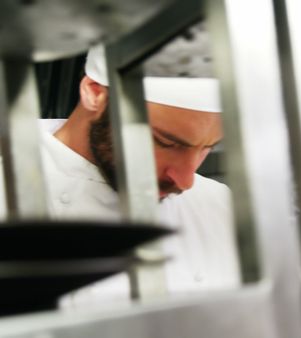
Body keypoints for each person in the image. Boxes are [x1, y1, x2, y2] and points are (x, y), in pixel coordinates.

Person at [2, 45, 240, 305]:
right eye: (165, 142)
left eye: (207, 147)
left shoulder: (220, 204)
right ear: (95, 94)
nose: (185, 180)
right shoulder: (9, 194)